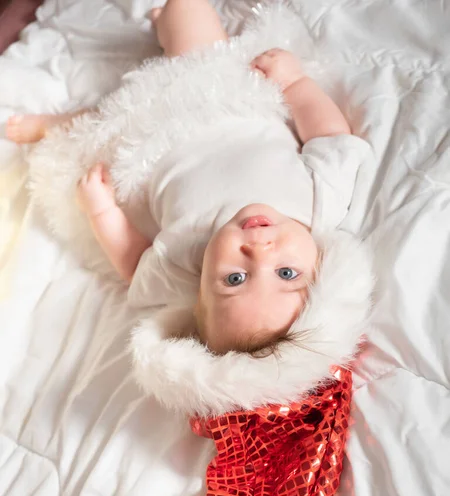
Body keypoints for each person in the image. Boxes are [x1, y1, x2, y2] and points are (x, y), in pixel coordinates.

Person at [6, 0, 370, 357]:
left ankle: (51, 125)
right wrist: (294, 82)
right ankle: (166, 23)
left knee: (96, 129)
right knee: (187, 10)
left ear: (200, 295)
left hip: (144, 137)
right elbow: (330, 137)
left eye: (235, 279)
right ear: (320, 269)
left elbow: (134, 264)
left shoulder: (183, 265)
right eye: (287, 273)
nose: (258, 251)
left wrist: (101, 210)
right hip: (216, 89)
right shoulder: (322, 204)